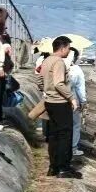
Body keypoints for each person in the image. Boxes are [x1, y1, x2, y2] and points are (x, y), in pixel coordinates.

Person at [37, 36, 81, 178]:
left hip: (49, 102)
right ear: (62, 48)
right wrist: (71, 98)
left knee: (53, 135)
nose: (69, 51)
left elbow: (39, 79)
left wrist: (46, 91)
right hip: (60, 103)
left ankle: (53, 167)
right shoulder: (58, 62)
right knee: (65, 135)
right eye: (68, 48)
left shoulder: (46, 61)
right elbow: (58, 83)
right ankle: (63, 168)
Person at [65, 47, 87, 157]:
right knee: (75, 124)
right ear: (76, 58)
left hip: (57, 99)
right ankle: (73, 148)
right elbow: (80, 88)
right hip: (72, 100)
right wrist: (83, 101)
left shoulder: (58, 66)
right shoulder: (77, 70)